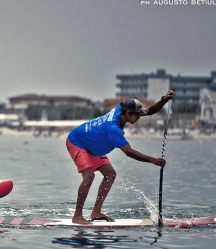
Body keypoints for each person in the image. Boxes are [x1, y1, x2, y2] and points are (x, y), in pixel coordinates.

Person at [66, 90, 175, 224]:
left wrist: (164, 99)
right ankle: (77, 216)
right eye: (137, 115)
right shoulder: (113, 128)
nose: (139, 117)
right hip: (77, 142)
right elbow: (129, 152)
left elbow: (150, 111)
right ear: (128, 113)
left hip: (91, 146)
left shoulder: (121, 110)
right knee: (89, 176)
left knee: (110, 174)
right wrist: (153, 160)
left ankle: (96, 212)